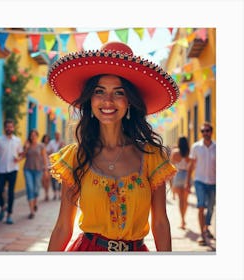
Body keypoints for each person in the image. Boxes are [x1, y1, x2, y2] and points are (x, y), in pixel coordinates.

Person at [47, 41, 179, 252]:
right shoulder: (75, 157)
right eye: (99, 91)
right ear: (90, 100)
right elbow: (63, 226)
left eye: (118, 92)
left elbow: (161, 224)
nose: (107, 101)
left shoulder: (152, 156)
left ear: (129, 101)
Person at [186, 122, 216, 246]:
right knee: (201, 206)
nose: (205, 133)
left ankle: (206, 226)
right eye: (203, 131)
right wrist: (188, 182)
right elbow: (191, 165)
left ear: (211, 131)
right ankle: (203, 235)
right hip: (199, 181)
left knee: (210, 207)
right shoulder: (196, 147)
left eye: (207, 130)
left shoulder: (217, 147)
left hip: (214, 182)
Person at [0, 119, 23, 225]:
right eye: (7, 127)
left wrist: (18, 159)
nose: (9, 128)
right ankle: (3, 206)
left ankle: (9, 215)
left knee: (10, 193)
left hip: (13, 170)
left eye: (11, 127)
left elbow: (21, 154)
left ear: (13, 128)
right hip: (1, 170)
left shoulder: (17, 140)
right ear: (4, 128)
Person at [22, 129, 48, 219]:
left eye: (34, 135)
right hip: (27, 169)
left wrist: (45, 170)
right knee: (30, 188)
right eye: (31, 135)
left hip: (38, 170)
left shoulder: (41, 146)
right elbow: (23, 156)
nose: (33, 137)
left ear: (37, 136)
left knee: (36, 189)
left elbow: (44, 158)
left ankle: (35, 203)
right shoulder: (28, 145)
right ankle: (32, 211)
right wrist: (26, 147)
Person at [170, 137, 191, 230]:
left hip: (178, 175)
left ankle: (182, 220)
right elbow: (192, 165)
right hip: (186, 175)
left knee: (180, 200)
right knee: (185, 200)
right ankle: (184, 219)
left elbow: (170, 164)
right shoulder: (189, 152)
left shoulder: (175, 152)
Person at [47, 132, 65, 200]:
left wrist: (61, 147)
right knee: (53, 179)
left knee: (60, 179)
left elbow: (65, 153)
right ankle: (55, 193)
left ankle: (60, 194)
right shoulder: (51, 142)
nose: (57, 136)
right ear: (54, 135)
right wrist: (51, 152)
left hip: (60, 164)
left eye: (58, 135)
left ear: (60, 136)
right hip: (52, 164)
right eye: (56, 135)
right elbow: (47, 151)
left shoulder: (62, 143)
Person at [41, 134, 51, 201]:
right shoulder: (41, 145)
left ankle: (47, 194)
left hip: (49, 164)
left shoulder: (50, 145)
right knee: (43, 180)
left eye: (47, 138)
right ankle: (45, 192)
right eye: (45, 138)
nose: (46, 140)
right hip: (41, 164)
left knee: (47, 180)